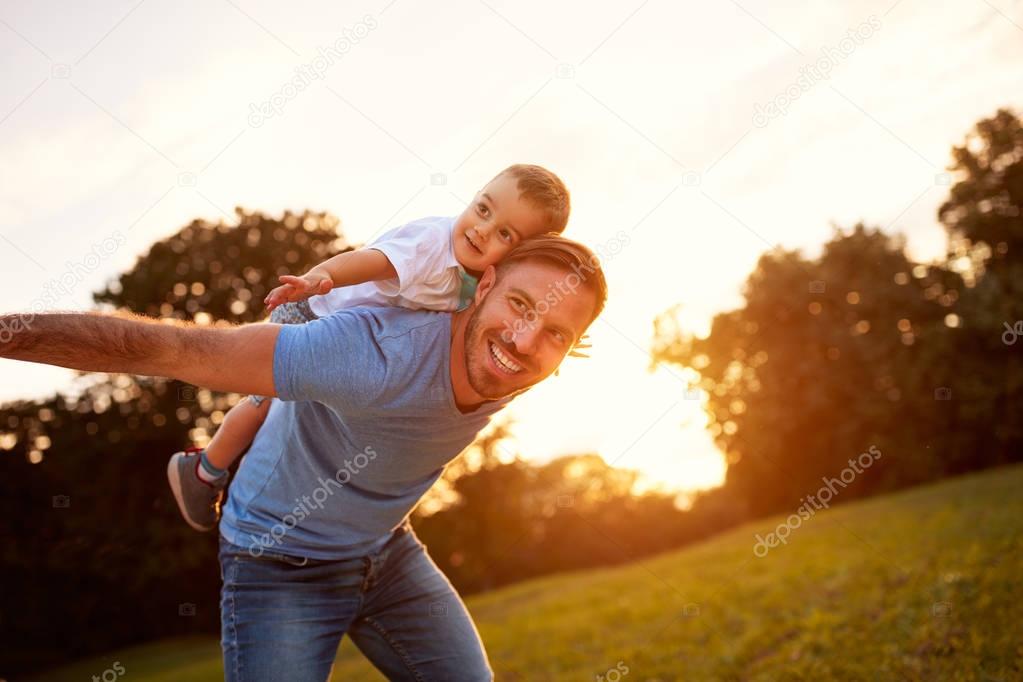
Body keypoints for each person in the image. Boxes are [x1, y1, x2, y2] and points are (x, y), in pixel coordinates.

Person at [1, 234, 607, 681]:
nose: (525, 342)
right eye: (521, 307)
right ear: (488, 283)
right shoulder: (368, 354)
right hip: (277, 562)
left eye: (557, 333)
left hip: (385, 550)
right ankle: (203, 472)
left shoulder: (516, 363)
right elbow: (172, 348)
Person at [167, 163, 570, 532]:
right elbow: (373, 261)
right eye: (483, 209)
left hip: (358, 342)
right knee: (264, 404)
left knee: (299, 416)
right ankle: (204, 470)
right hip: (312, 313)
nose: (483, 229)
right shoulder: (429, 245)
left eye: (505, 234)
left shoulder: (484, 277)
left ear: (520, 255)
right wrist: (320, 276)